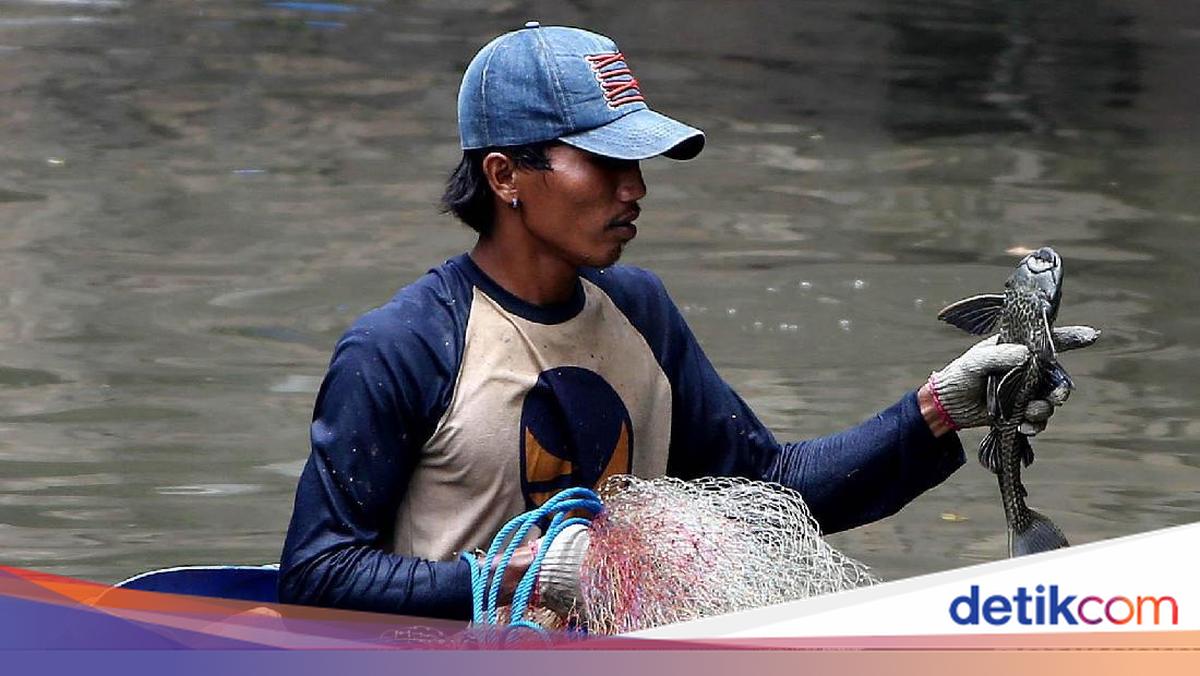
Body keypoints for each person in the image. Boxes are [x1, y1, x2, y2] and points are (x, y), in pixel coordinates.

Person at [278, 23, 1090, 621]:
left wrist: (943, 407)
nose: (634, 187)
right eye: (602, 161)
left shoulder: (642, 313)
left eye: (636, 162)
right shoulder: (401, 347)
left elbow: (770, 492)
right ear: (505, 175)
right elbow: (317, 575)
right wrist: (523, 577)